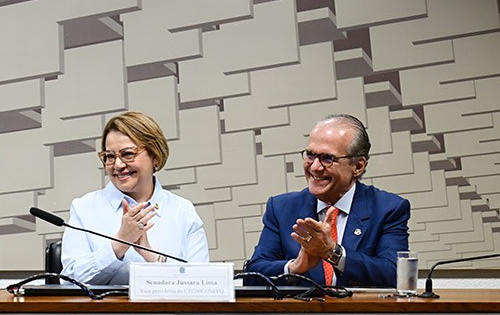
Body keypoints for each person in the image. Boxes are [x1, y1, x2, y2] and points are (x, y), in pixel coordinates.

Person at [246, 114, 410, 288]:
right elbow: (252, 275)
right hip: (305, 314)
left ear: (358, 166)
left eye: (328, 158)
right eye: (310, 155)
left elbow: (395, 275)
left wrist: (334, 253)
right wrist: (294, 267)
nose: (315, 167)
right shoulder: (281, 208)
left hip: (360, 314)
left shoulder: (388, 209)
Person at [60, 111, 209, 285]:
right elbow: (68, 282)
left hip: (167, 312)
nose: (118, 165)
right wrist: (118, 244)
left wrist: (151, 256)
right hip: (103, 312)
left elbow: (202, 284)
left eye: (128, 154)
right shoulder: (84, 208)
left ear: (155, 156)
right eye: (109, 156)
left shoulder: (183, 211)